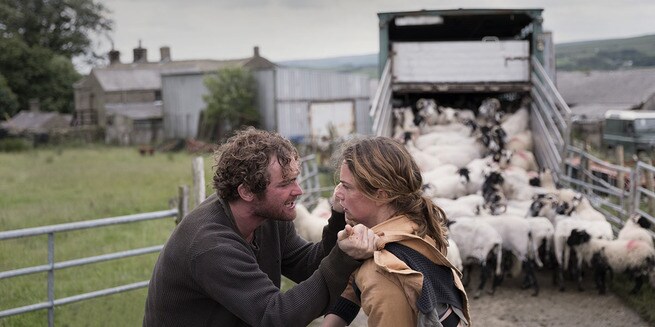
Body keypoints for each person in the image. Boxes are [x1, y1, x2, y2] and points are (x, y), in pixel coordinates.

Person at [143, 127, 378, 326]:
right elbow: (275, 316)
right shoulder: (211, 245)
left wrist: (338, 218)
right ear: (246, 191)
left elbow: (308, 265)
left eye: (296, 179)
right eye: (286, 183)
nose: (299, 191)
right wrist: (343, 257)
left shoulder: (267, 219)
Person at [322, 136, 471, 327]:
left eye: (346, 186)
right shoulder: (418, 229)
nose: (337, 194)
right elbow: (353, 286)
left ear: (381, 194)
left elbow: (376, 280)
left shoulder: (382, 270)